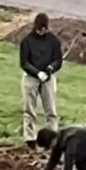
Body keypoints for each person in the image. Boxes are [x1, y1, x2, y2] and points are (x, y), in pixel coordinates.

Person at [20, 12, 63, 148]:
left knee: (51, 110)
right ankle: (30, 138)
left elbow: (58, 60)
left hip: (48, 79)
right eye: (40, 29)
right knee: (29, 109)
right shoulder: (26, 41)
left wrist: (50, 69)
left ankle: (51, 138)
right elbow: (24, 62)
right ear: (36, 27)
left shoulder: (54, 41)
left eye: (44, 29)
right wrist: (37, 73)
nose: (42, 32)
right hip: (31, 77)